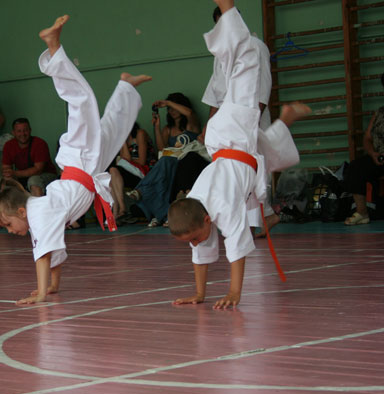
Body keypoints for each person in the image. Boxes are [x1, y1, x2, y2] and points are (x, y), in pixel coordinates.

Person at [0, 15, 150, 305]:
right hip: (88, 168)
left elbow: (43, 257)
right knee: (110, 132)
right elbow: (54, 254)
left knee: (82, 103)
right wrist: (52, 287)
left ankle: (54, 48)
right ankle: (126, 87)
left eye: (8, 225)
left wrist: (40, 293)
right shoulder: (41, 218)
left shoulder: (38, 214)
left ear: (21, 212)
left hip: (78, 160)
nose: (11, 232)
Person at [167, 0, 310, 309]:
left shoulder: (221, 208)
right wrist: (199, 294)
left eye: (194, 237)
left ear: (208, 219)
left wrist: (234, 293)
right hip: (231, 146)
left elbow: (238, 251)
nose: (195, 242)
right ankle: (285, 120)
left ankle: (227, 7)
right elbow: (200, 254)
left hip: (232, 134)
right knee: (275, 157)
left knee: (244, 68)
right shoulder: (195, 208)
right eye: (192, 240)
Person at [201, 5, 278, 237]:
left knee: (250, 170)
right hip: (226, 125)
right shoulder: (221, 54)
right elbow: (215, 93)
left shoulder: (255, 46)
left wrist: (249, 123)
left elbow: (262, 88)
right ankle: (255, 218)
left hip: (248, 119)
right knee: (229, 171)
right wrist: (209, 125)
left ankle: (258, 220)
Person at [126, 93, 206, 227]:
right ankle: (162, 213)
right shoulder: (168, 129)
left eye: (174, 107)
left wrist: (167, 103)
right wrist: (157, 127)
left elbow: (190, 113)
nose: (171, 111)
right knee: (164, 162)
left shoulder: (191, 124)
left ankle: (141, 192)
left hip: (189, 162)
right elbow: (162, 149)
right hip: (172, 162)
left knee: (166, 165)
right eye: (169, 109)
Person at [344, 74, 384, 225]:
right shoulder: (380, 112)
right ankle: (362, 212)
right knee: (356, 167)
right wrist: (373, 153)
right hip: (379, 156)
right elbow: (367, 138)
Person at [108, 122, 152, 222]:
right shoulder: (122, 139)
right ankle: (116, 214)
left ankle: (122, 208)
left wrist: (122, 140)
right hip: (130, 172)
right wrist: (122, 140)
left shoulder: (140, 133)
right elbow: (126, 159)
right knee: (110, 174)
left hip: (144, 173)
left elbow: (141, 161)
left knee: (113, 170)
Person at [2, 117, 57, 196]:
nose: (23, 134)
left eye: (25, 130)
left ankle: (38, 204)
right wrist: (9, 175)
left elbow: (38, 170)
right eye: (19, 131)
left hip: (45, 174)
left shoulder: (39, 143)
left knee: (33, 180)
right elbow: (6, 169)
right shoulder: (8, 145)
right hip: (22, 176)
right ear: (13, 133)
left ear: (30, 130)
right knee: (5, 181)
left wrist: (15, 173)